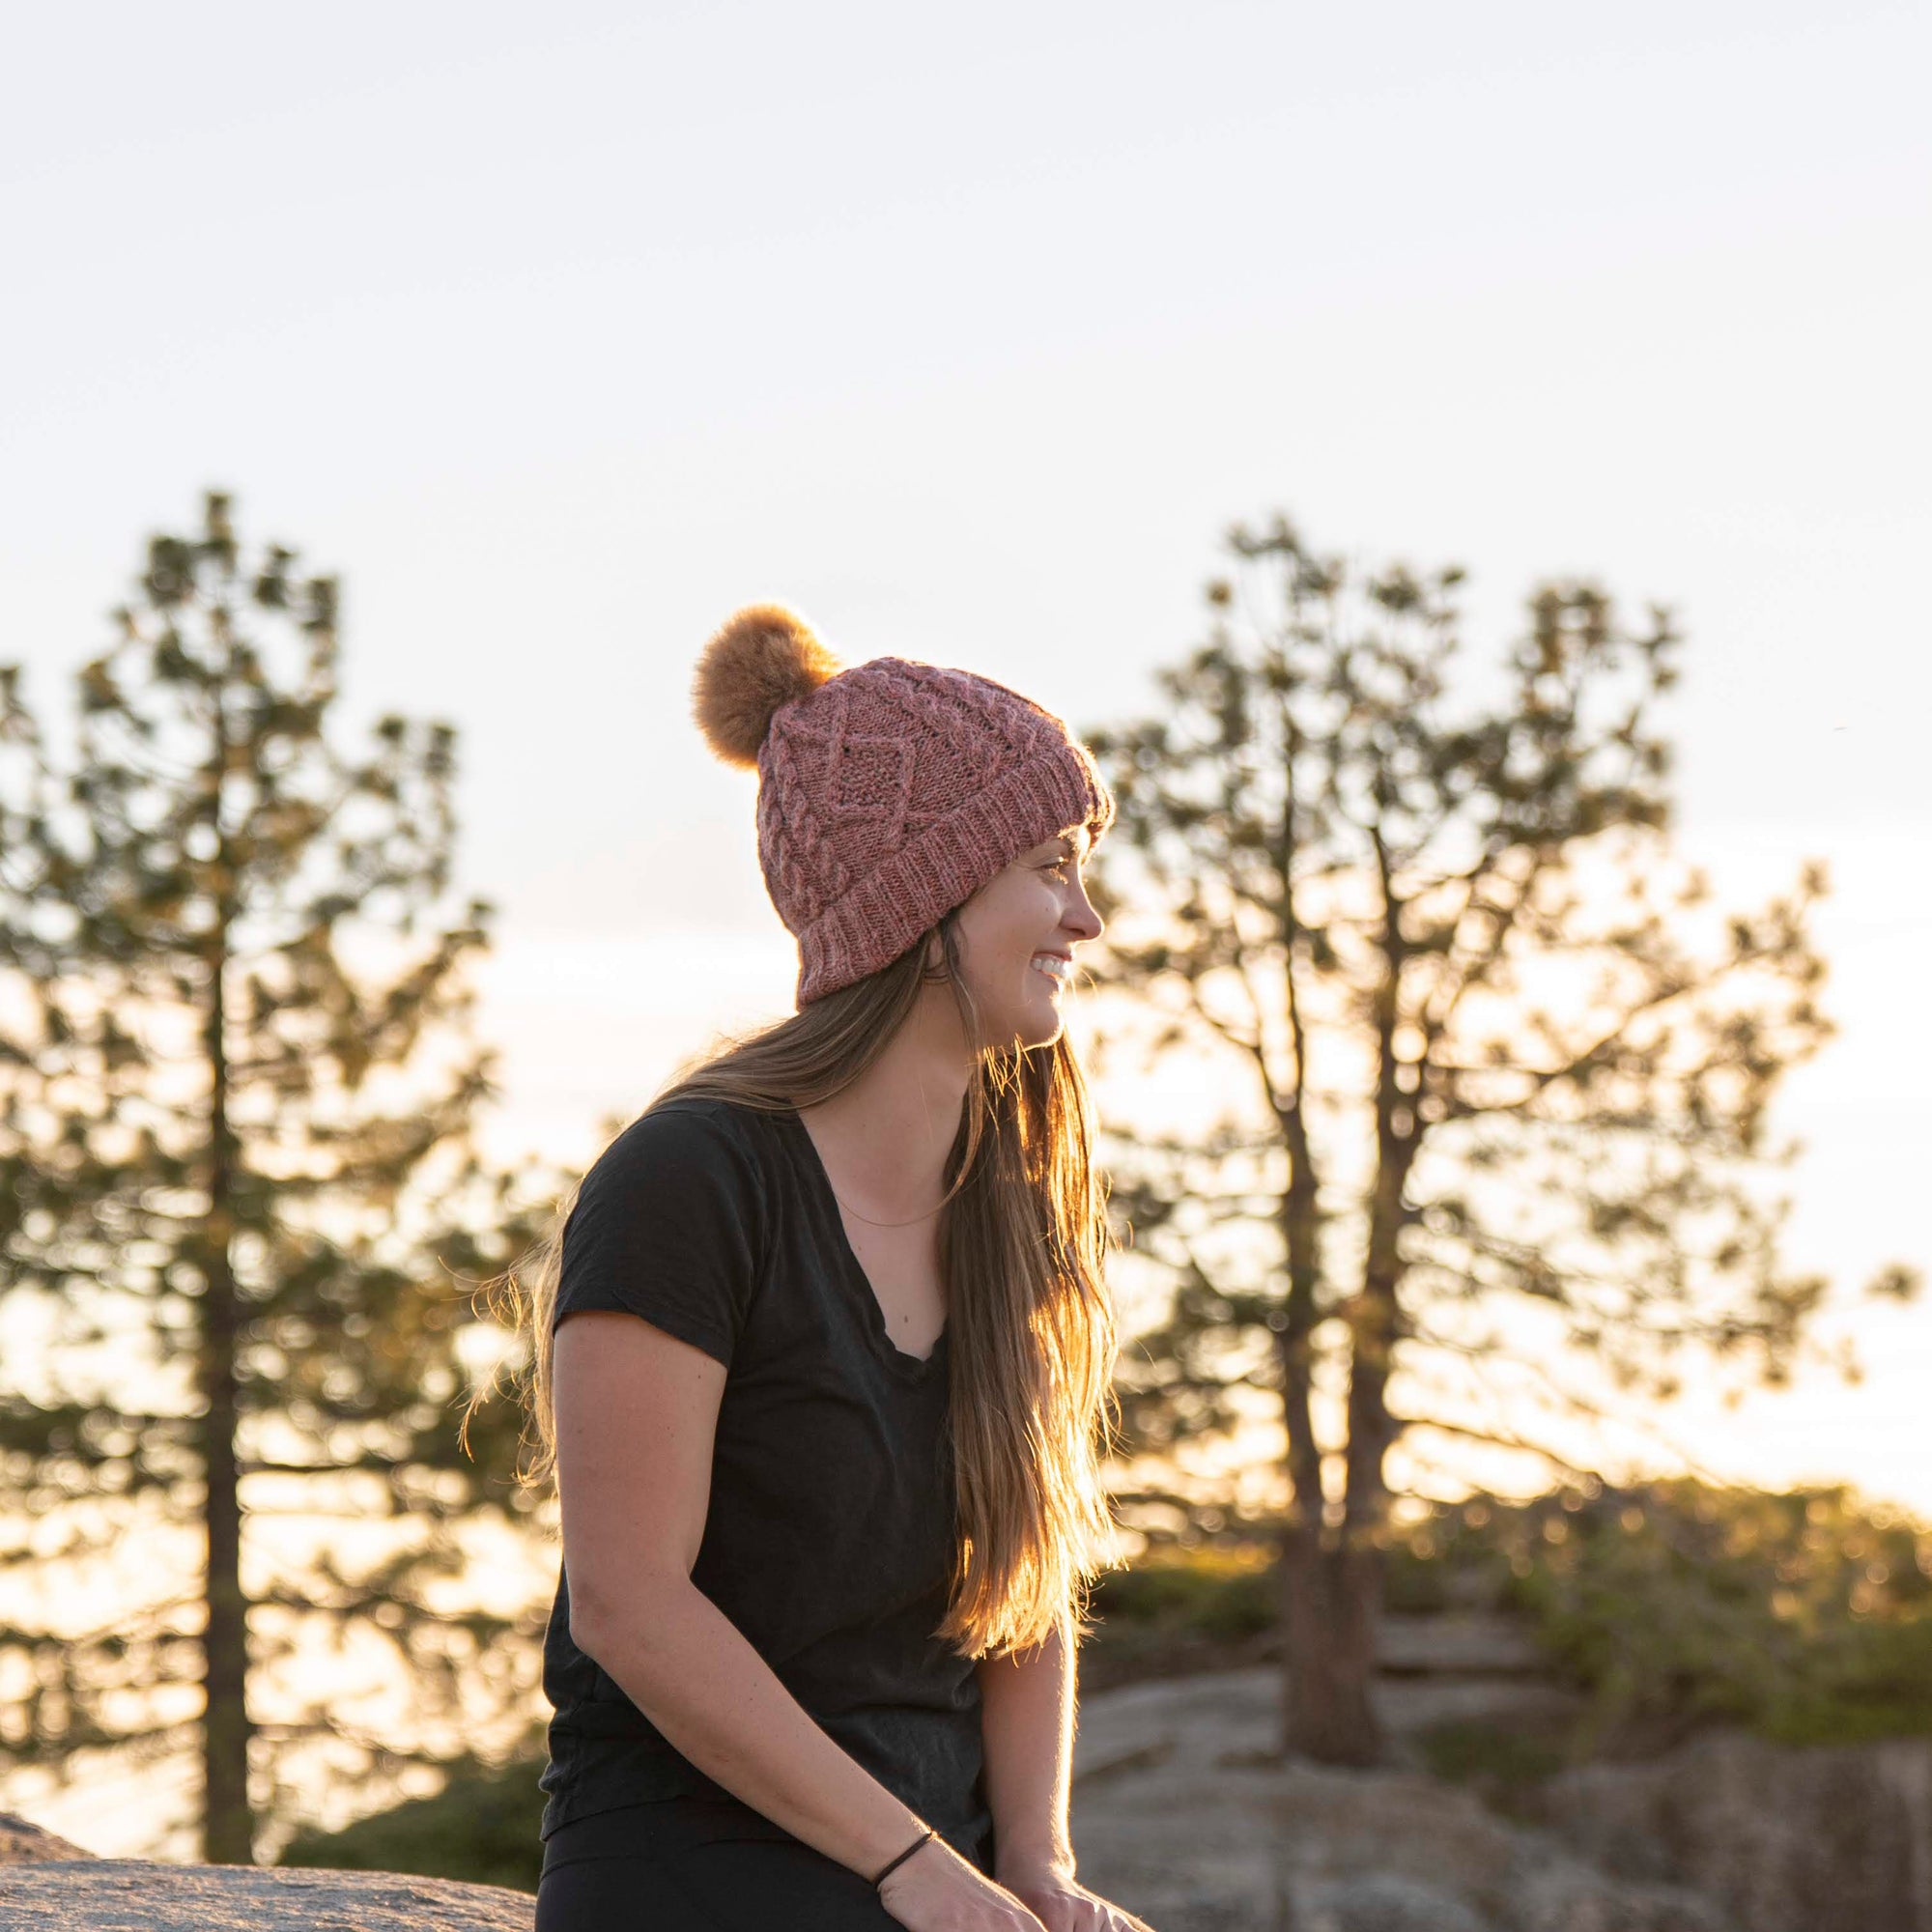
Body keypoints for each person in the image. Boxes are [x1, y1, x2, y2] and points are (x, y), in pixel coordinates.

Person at [489, 605, 1157, 1930]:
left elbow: (1024, 1584)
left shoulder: (1005, 1197)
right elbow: (629, 1607)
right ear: (928, 896)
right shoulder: (688, 1182)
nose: (1083, 916)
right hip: (699, 1867)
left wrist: (1036, 1867)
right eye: (1050, 865)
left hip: (943, 1877)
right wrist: (913, 1872)